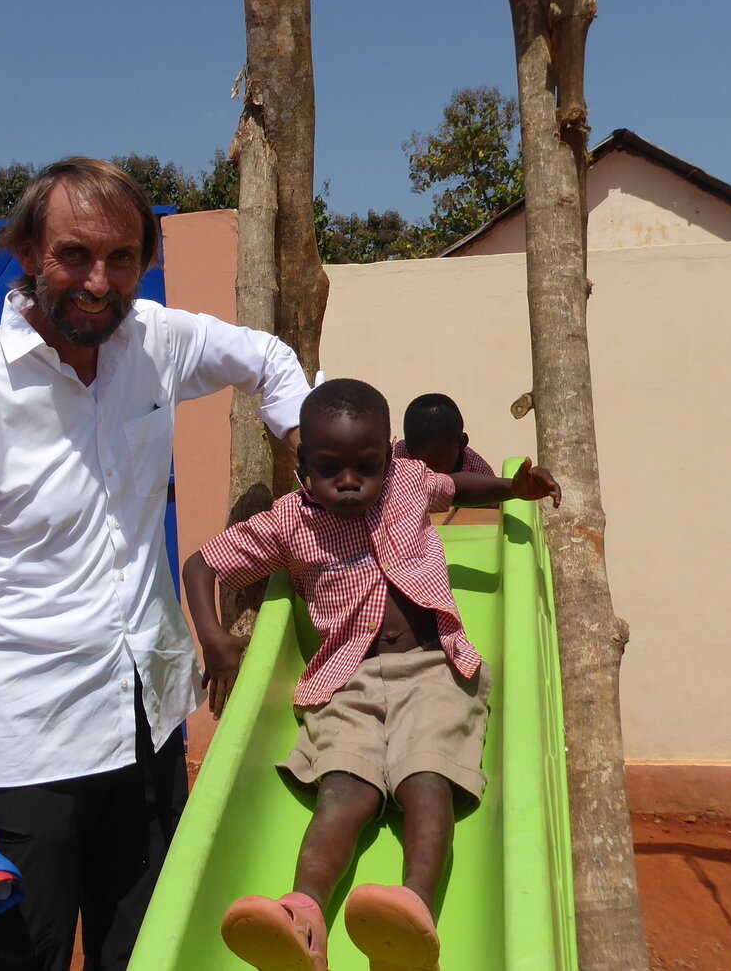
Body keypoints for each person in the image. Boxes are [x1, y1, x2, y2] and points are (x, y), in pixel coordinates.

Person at [0, 157, 312, 971]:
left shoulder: (155, 343)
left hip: (147, 725)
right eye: (74, 254)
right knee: (25, 955)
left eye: (121, 258)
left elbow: (268, 358)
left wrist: (309, 449)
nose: (98, 280)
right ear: (28, 255)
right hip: (28, 746)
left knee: (144, 950)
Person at [183, 379, 560, 971]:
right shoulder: (288, 523)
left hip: (437, 667)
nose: (351, 481)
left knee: (426, 780)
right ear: (302, 462)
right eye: (330, 468)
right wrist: (216, 640)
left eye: (367, 465)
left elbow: (456, 483)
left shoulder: (409, 486)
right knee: (341, 793)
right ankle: (302, 918)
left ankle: (414, 916)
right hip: (346, 680)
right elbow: (203, 563)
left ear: (391, 455)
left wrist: (513, 489)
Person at [392, 392, 495, 477]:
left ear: (462, 443)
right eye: (417, 465)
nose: (428, 473)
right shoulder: (397, 458)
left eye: (437, 464)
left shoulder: (478, 472)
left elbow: (493, 499)